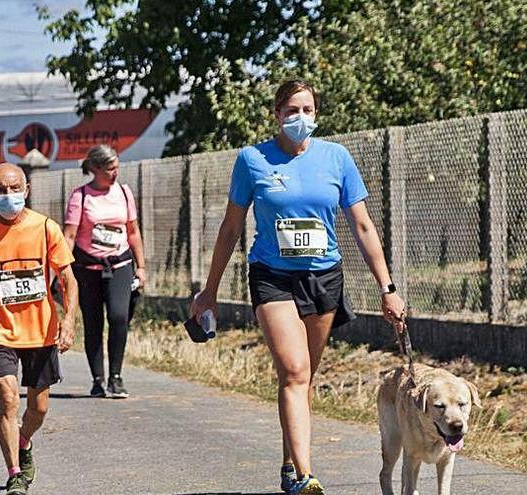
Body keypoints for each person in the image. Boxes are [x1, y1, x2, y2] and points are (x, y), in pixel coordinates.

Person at [190, 79, 406, 495]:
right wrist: (210, 289)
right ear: (276, 114)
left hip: (324, 276)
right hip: (272, 276)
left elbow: (362, 224)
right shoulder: (252, 160)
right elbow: (231, 226)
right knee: (292, 371)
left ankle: (289, 463)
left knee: (304, 377)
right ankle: (306, 477)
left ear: (317, 114)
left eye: (307, 110)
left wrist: (388, 287)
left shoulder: (336, 158)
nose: (300, 118)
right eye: (291, 111)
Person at [0, 163, 78, 495]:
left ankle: (24, 439)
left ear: (26, 189)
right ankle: (15, 473)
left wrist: (68, 322)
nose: (8, 196)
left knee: (38, 408)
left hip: (41, 331)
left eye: (14, 189)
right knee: (7, 398)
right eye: (0, 190)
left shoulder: (45, 229)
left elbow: (69, 280)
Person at [62, 144, 145, 398]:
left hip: (119, 265)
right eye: (110, 168)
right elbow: (70, 235)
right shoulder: (81, 196)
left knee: (119, 317)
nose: (114, 173)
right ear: (95, 169)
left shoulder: (124, 192)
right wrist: (63, 271)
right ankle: (98, 379)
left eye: (117, 167)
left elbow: (132, 231)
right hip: (87, 268)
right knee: (93, 323)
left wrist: (141, 267)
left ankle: (116, 377)